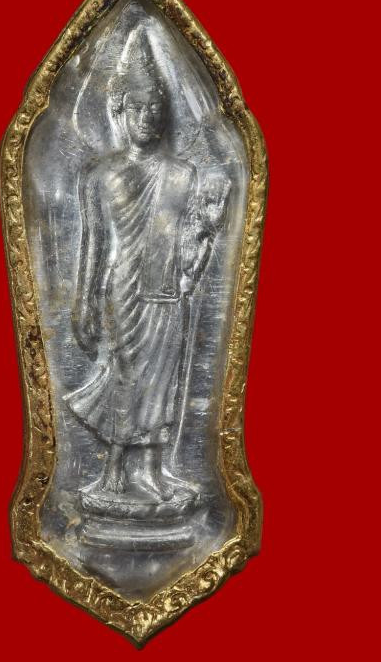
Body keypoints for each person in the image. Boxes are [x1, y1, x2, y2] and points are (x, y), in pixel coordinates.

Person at [65, 27, 226, 503]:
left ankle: (153, 471)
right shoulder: (101, 174)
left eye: (156, 108)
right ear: (120, 111)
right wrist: (83, 304)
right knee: (124, 377)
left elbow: (189, 242)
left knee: (162, 383)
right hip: (121, 292)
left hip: (166, 293)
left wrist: (205, 232)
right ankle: (115, 473)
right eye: (139, 107)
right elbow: (93, 247)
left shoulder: (182, 174)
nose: (149, 117)